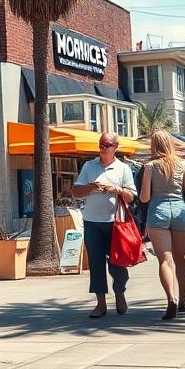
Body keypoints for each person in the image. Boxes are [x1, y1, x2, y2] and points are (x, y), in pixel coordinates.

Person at [72, 132, 136, 318]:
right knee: (96, 263)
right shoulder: (89, 166)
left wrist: (116, 189)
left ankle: (120, 292)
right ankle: (100, 304)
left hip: (115, 223)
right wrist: (91, 187)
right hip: (92, 221)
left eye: (107, 145)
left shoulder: (123, 168)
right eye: (101, 144)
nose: (103, 148)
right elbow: (76, 192)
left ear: (115, 147)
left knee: (118, 263)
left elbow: (131, 196)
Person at [139, 129, 185, 320]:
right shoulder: (183, 164)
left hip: (158, 211)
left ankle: (172, 298)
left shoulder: (150, 166)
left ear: (153, 145)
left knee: (164, 260)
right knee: (180, 258)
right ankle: (184, 297)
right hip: (180, 211)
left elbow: (144, 197)